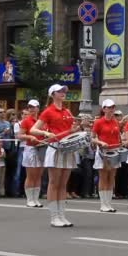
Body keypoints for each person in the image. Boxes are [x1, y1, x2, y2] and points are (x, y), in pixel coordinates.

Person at [30, 84, 79, 227]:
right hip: (55, 147)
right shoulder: (48, 111)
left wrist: (75, 129)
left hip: (68, 147)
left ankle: (62, 215)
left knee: (63, 184)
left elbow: (70, 130)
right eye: (60, 91)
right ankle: (54, 216)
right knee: (54, 183)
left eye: (64, 91)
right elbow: (33, 130)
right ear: (52, 94)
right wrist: (46, 133)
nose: (63, 93)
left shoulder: (68, 111)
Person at [92, 99, 121, 212]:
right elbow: (92, 137)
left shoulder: (115, 122)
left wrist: (121, 142)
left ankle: (109, 203)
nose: (111, 109)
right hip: (102, 152)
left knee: (111, 177)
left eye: (112, 107)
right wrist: (100, 142)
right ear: (104, 109)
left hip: (114, 151)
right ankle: (103, 204)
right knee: (103, 177)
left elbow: (118, 137)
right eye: (108, 107)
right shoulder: (98, 122)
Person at [18, 100, 45, 207]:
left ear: (38, 108)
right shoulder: (26, 121)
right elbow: (20, 136)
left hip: (41, 148)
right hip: (30, 149)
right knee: (31, 175)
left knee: (39, 175)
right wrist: (30, 136)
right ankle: (30, 199)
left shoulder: (42, 121)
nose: (32, 109)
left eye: (34, 107)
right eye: (30, 107)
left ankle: (36, 199)